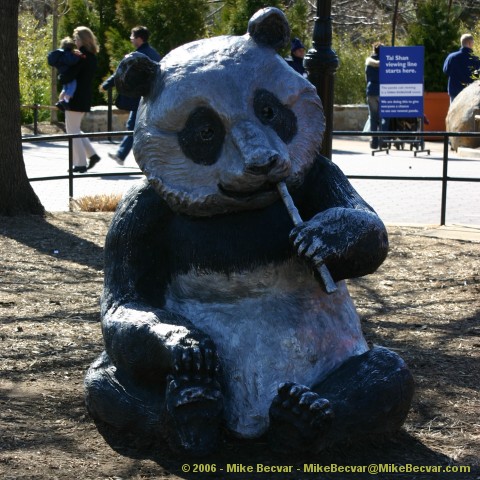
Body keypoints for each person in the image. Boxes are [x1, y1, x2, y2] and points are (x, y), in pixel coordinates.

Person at [101, 26, 161, 165]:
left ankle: (122, 155)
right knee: (137, 126)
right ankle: (122, 155)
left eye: (132, 37)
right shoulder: (154, 54)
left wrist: (106, 85)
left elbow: (121, 72)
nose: (131, 39)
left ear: (139, 39)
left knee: (133, 126)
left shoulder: (138, 55)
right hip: (151, 97)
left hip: (140, 97)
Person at [58, 26, 101, 173]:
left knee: (72, 131)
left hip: (75, 98)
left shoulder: (81, 57)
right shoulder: (92, 57)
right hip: (84, 97)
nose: (75, 42)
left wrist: (61, 77)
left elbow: (71, 74)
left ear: (83, 40)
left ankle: (81, 163)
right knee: (75, 129)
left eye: (76, 39)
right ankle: (92, 155)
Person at [47, 37, 85, 111]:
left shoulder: (60, 54)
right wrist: (79, 56)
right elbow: (71, 61)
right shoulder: (67, 54)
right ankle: (66, 101)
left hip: (62, 74)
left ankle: (60, 101)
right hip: (68, 74)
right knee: (73, 85)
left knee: (65, 89)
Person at [443, 33, 480, 102]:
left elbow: (445, 71)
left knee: (454, 112)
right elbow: (477, 76)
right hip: (470, 92)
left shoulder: (451, 57)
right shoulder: (475, 59)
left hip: (454, 91)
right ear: (470, 43)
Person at [364, 42, 385, 149]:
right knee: (383, 117)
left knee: (373, 117)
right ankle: (383, 140)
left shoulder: (369, 62)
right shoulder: (386, 62)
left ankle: (373, 142)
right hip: (383, 91)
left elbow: (366, 77)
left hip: (371, 90)